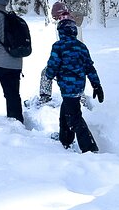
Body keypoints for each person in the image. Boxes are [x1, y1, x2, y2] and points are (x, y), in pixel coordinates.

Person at [44, 19, 103, 153]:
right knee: (66, 111)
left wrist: (48, 75)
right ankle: (65, 139)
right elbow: (89, 67)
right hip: (78, 87)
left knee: (74, 117)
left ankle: (89, 147)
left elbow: (52, 65)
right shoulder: (81, 47)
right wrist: (96, 84)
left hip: (67, 87)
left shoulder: (58, 46)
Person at [33, 1, 89, 107]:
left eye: (55, 16)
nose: (54, 19)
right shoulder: (70, 21)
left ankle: (45, 97)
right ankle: (80, 96)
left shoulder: (67, 24)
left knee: (46, 73)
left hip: (69, 58)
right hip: (78, 58)